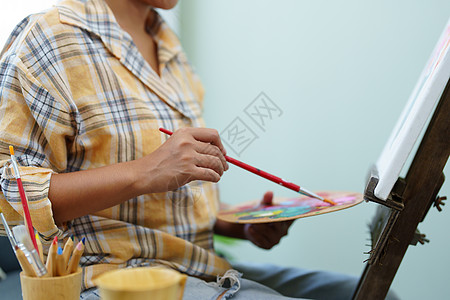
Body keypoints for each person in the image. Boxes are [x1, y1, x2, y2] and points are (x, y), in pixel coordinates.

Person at [0, 0, 397, 299]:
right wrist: (146, 171)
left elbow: (164, 204)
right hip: (112, 274)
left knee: (376, 293)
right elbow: (11, 195)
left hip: (198, 262)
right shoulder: (48, 37)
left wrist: (237, 227)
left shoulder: (170, 50)